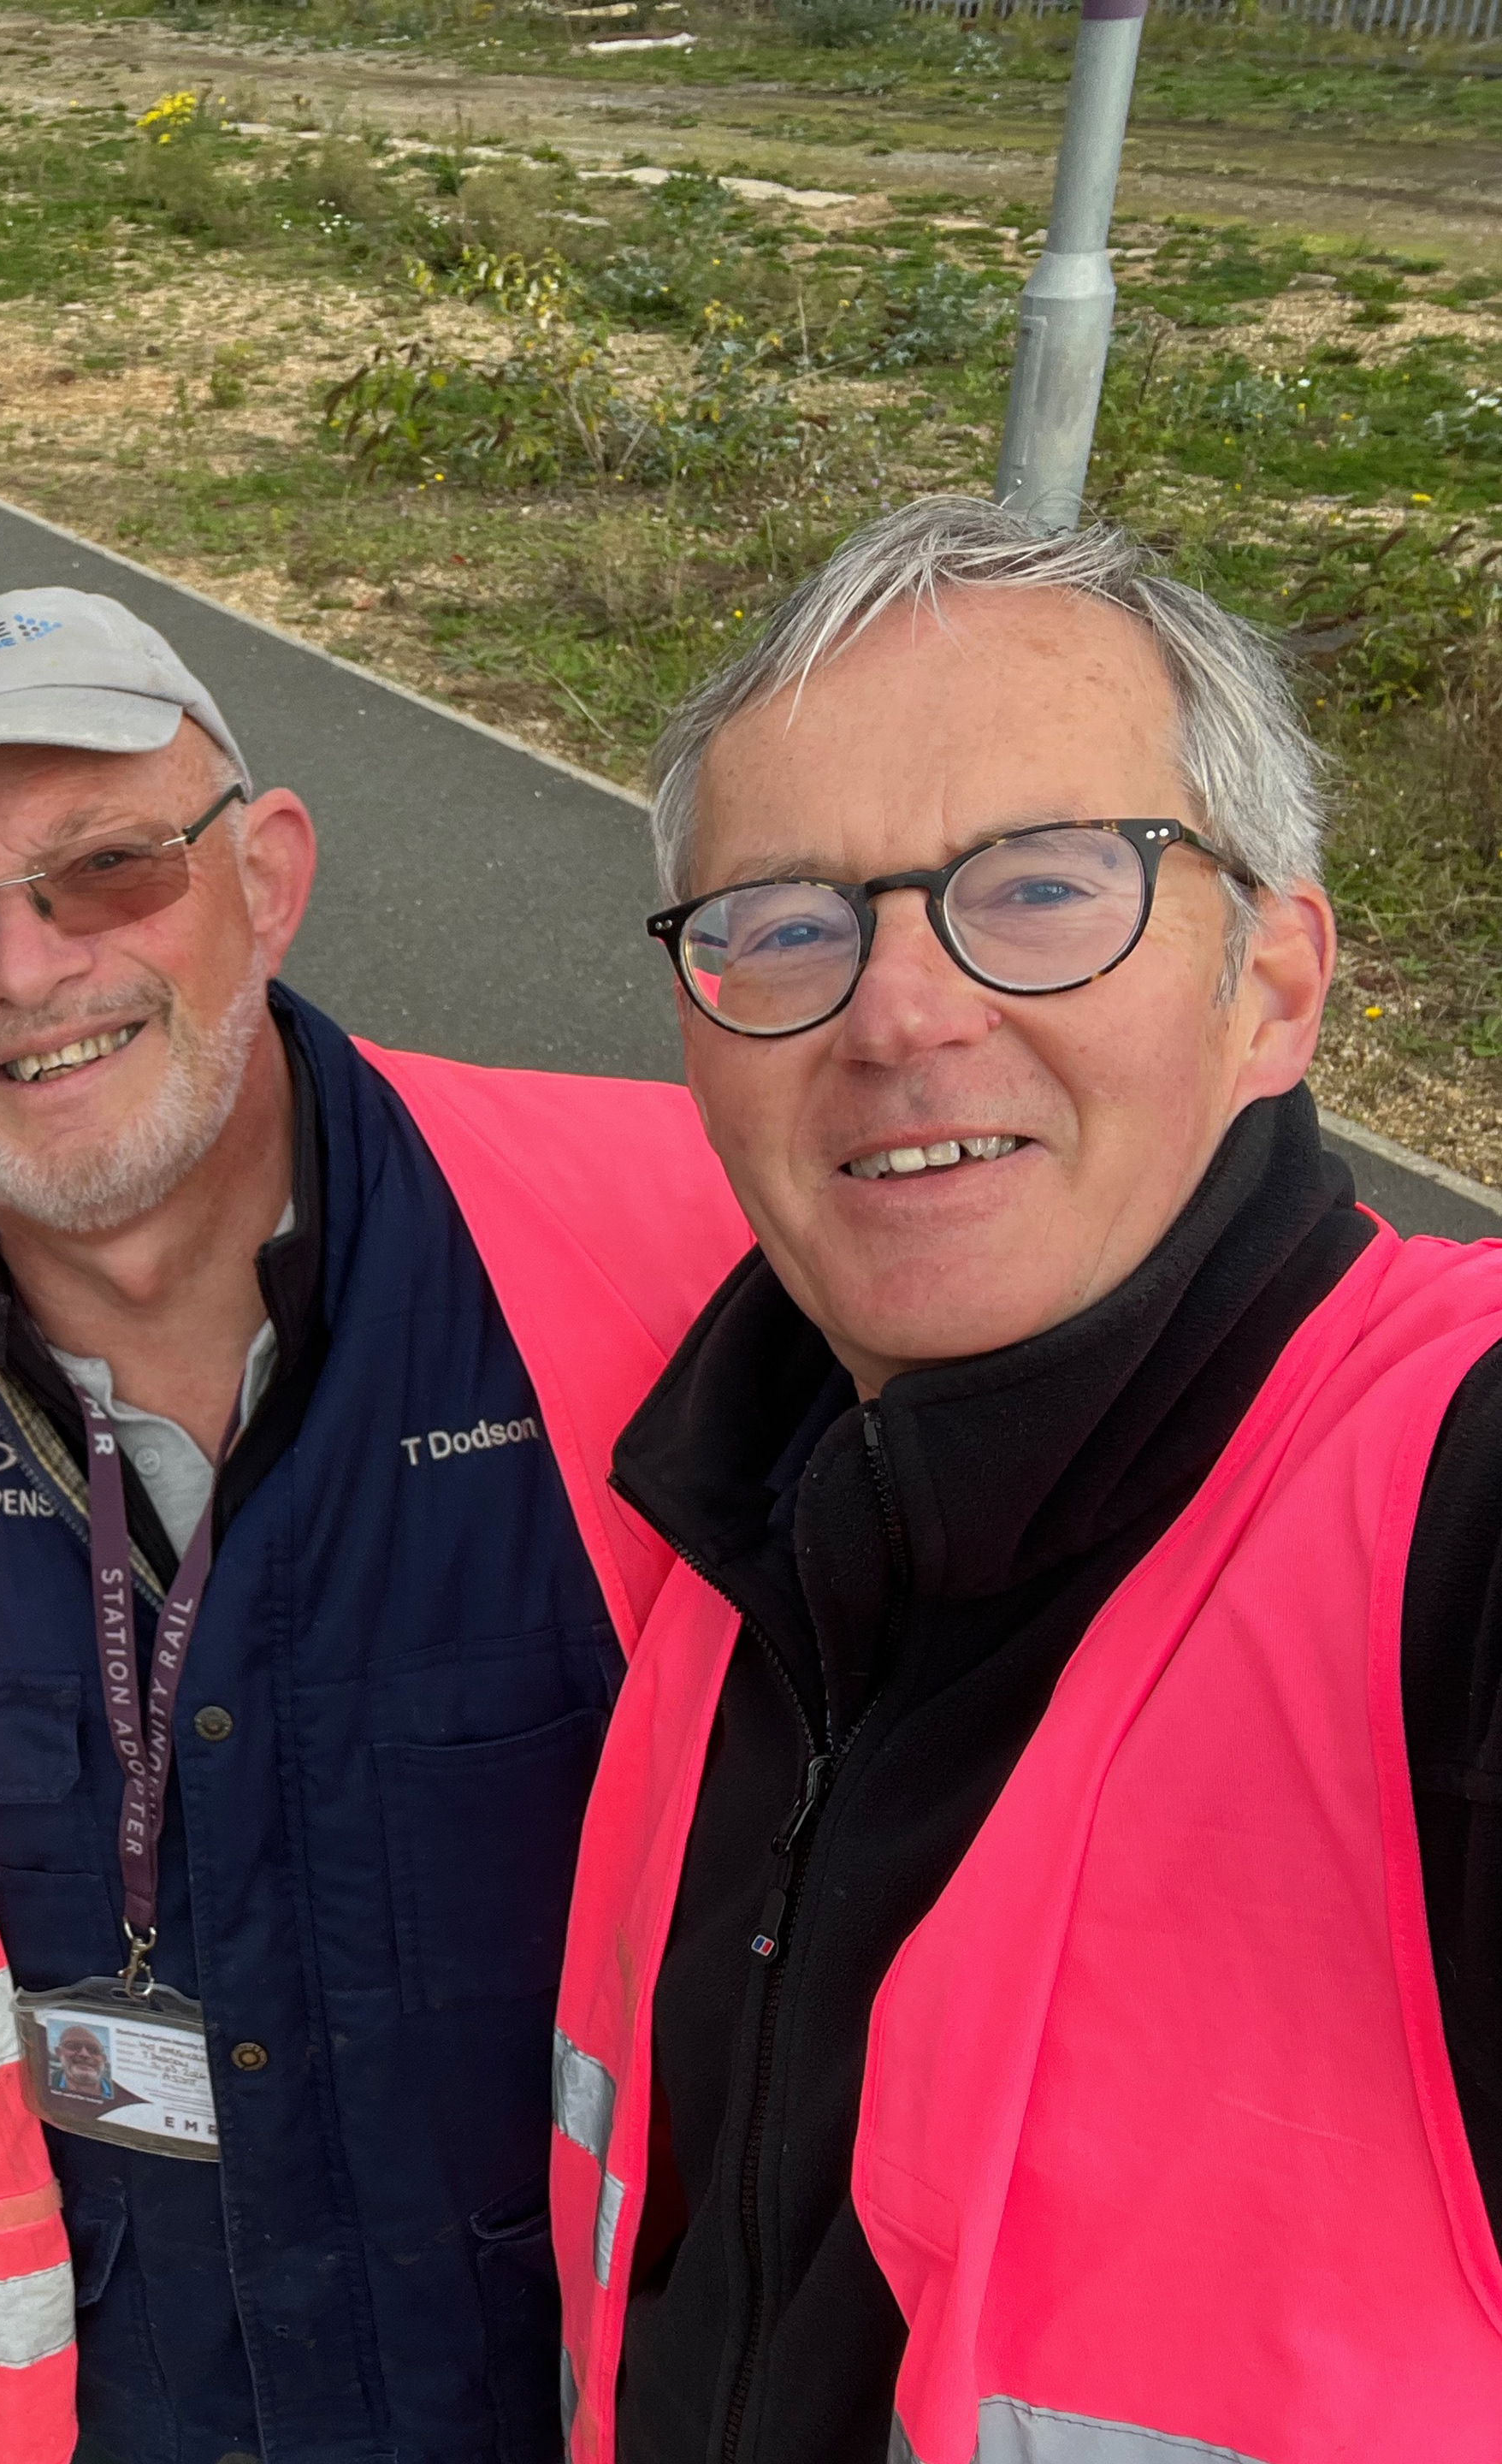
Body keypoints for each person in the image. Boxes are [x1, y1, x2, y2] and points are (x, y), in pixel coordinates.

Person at [0, 586, 758, 2464]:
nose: (24, 970)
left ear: (267, 876)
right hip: (120, 2404)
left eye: (105, 870)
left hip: (585, 2398)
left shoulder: (669, 1249)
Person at [547, 496, 1502, 2464]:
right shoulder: (736, 1544)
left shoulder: (1445, 1497)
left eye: (1049, 885)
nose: (900, 1012)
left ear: (1278, 981)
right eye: (789, 922)